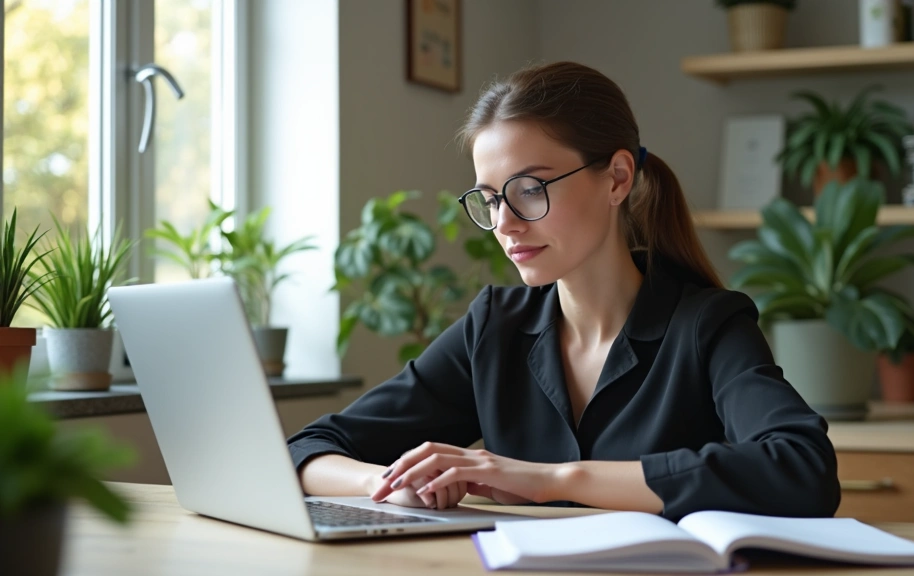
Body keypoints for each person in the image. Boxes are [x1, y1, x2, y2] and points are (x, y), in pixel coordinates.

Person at [287, 61, 840, 522]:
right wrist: (393, 482)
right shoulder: (493, 328)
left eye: (529, 189)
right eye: (490, 198)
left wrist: (550, 479)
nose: (505, 222)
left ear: (618, 179)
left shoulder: (707, 325)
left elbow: (801, 469)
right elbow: (304, 450)